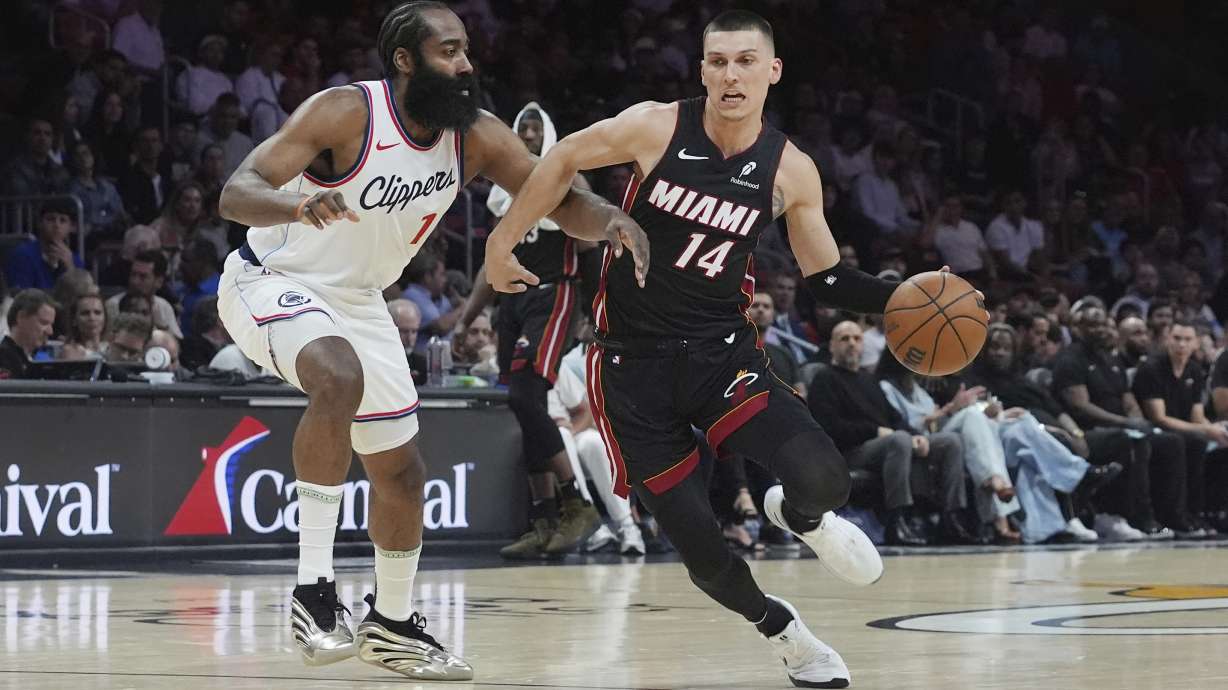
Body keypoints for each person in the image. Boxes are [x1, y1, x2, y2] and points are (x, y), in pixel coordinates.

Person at [484, 12, 977, 682]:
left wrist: (899, 299)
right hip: (630, 368)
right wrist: (502, 239)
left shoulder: (790, 169)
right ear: (702, 70)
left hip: (722, 355)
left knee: (825, 479)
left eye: (745, 61)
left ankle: (795, 513)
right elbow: (565, 155)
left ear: (771, 71)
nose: (730, 75)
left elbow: (826, 276)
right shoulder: (657, 127)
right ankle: (785, 632)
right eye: (717, 61)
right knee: (704, 555)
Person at [215, 1, 646, 680]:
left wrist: (611, 219)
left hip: (358, 298)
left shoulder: (477, 134)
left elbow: (559, 200)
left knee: (403, 474)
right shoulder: (345, 112)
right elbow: (236, 193)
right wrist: (296, 204)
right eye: (449, 51)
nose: (466, 64)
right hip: (271, 276)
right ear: (405, 61)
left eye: (467, 49)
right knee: (338, 376)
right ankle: (313, 593)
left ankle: (390, 622)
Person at [460, 101, 603, 558]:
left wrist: (596, 309)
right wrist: (466, 318)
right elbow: (491, 263)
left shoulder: (568, 179)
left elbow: (592, 245)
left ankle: (575, 503)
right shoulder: (502, 195)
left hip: (554, 294)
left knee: (526, 396)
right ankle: (543, 520)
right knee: (522, 404)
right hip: (512, 301)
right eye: (520, 128)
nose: (527, 134)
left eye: (534, 127)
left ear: (550, 133)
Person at [811, 321, 971, 546]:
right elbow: (830, 427)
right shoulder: (824, 378)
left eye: (857, 339)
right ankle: (896, 521)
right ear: (832, 346)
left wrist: (918, 435)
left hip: (884, 444)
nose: (852, 344)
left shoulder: (870, 381)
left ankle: (952, 517)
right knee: (899, 440)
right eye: (844, 339)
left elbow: (895, 418)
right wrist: (876, 431)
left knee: (950, 441)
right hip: (848, 452)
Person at [1051, 305, 1173, 540]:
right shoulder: (1070, 359)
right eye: (1092, 325)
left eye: (1103, 324)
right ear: (1078, 329)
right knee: (1128, 440)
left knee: (1170, 442)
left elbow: (1128, 400)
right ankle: (1121, 516)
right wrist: (1125, 424)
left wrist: (1136, 420)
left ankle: (1172, 516)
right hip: (1083, 432)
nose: (1100, 330)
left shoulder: (1111, 359)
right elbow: (1080, 405)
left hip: (1118, 427)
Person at [876, 355, 1022, 543]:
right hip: (911, 440)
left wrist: (949, 412)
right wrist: (950, 409)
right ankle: (998, 499)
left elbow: (934, 426)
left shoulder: (921, 392)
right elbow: (898, 424)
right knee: (972, 416)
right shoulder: (887, 388)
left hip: (934, 439)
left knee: (980, 420)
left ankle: (984, 503)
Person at [1132, 319, 1224, 537]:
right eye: (1177, 338)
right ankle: (1175, 515)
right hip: (1151, 431)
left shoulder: (1194, 370)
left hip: (1185, 432)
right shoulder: (1151, 368)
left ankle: (1204, 513)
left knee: (1209, 444)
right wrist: (1203, 430)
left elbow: (1197, 416)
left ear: (1196, 344)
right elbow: (1159, 418)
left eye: (1187, 340)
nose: (1182, 344)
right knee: (1182, 442)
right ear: (1167, 340)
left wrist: (1216, 430)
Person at [4, 198, 84, 291]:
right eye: (50, 219)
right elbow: (21, 297)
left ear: (72, 227)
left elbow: (81, 295)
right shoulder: (22, 255)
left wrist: (70, 268)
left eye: (63, 220)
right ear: (39, 223)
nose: (56, 225)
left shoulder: (75, 260)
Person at [105, 250, 182, 339]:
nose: (135, 281)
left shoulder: (164, 307)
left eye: (143, 277)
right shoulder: (112, 306)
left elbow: (176, 342)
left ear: (159, 282)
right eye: (133, 274)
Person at [0, 289, 57, 379]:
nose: (50, 331)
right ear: (21, 317)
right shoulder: (3, 358)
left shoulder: (43, 361)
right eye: (43, 323)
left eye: (51, 324)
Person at [177, 239, 221, 338]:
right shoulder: (183, 289)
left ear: (203, 262)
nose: (181, 265)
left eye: (186, 260)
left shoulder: (222, 292)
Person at [386, 298, 426, 383]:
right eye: (403, 331)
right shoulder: (375, 362)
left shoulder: (421, 364)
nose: (410, 339)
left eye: (414, 331)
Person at [58, 293, 107, 361]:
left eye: (97, 312)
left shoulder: (110, 348)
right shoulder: (69, 352)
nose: (92, 318)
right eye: (85, 313)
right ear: (74, 320)